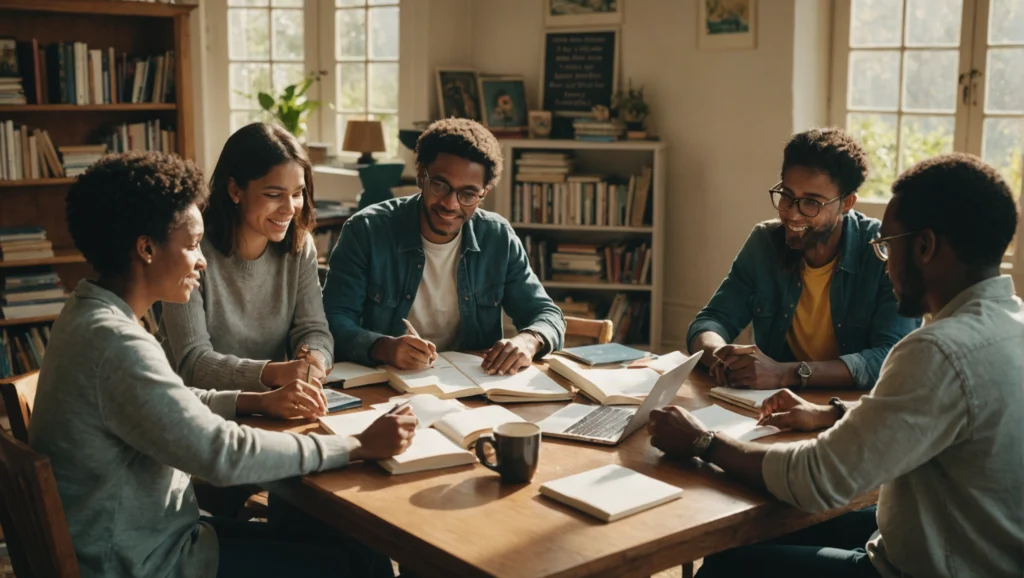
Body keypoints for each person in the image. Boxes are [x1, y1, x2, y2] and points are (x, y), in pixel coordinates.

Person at [29, 151, 417, 578]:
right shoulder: (117, 344)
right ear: (146, 249)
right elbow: (223, 455)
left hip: (148, 536)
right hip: (144, 561)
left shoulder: (86, 311)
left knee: (356, 551)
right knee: (354, 566)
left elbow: (166, 401)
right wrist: (358, 445)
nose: (202, 260)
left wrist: (254, 401)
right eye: (193, 245)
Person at [650, 153, 1024, 577]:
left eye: (888, 246)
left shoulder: (936, 351)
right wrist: (834, 413)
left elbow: (814, 479)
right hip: (969, 542)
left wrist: (703, 442)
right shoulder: (1012, 323)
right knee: (758, 534)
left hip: (924, 568)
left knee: (729, 563)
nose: (886, 263)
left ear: (924, 247)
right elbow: (927, 413)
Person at [323, 118, 565, 375]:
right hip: (386, 381)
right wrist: (384, 347)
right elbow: (332, 320)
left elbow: (546, 313)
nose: (451, 204)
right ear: (421, 175)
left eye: (468, 194)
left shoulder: (498, 238)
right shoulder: (366, 231)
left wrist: (526, 342)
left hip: (471, 388)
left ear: (484, 194)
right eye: (440, 185)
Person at [687, 128, 918, 391]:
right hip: (769, 405)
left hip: (848, 410)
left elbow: (890, 357)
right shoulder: (765, 243)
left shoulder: (882, 251)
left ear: (846, 203)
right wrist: (721, 356)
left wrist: (785, 374)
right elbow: (711, 321)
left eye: (811, 202)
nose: (792, 214)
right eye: (787, 195)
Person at [160, 122, 333, 395]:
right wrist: (275, 373)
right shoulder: (190, 251)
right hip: (197, 409)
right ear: (235, 190)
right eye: (274, 194)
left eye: (298, 194)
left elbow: (314, 329)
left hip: (274, 402)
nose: (290, 209)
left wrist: (315, 359)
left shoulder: (300, 247)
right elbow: (192, 362)